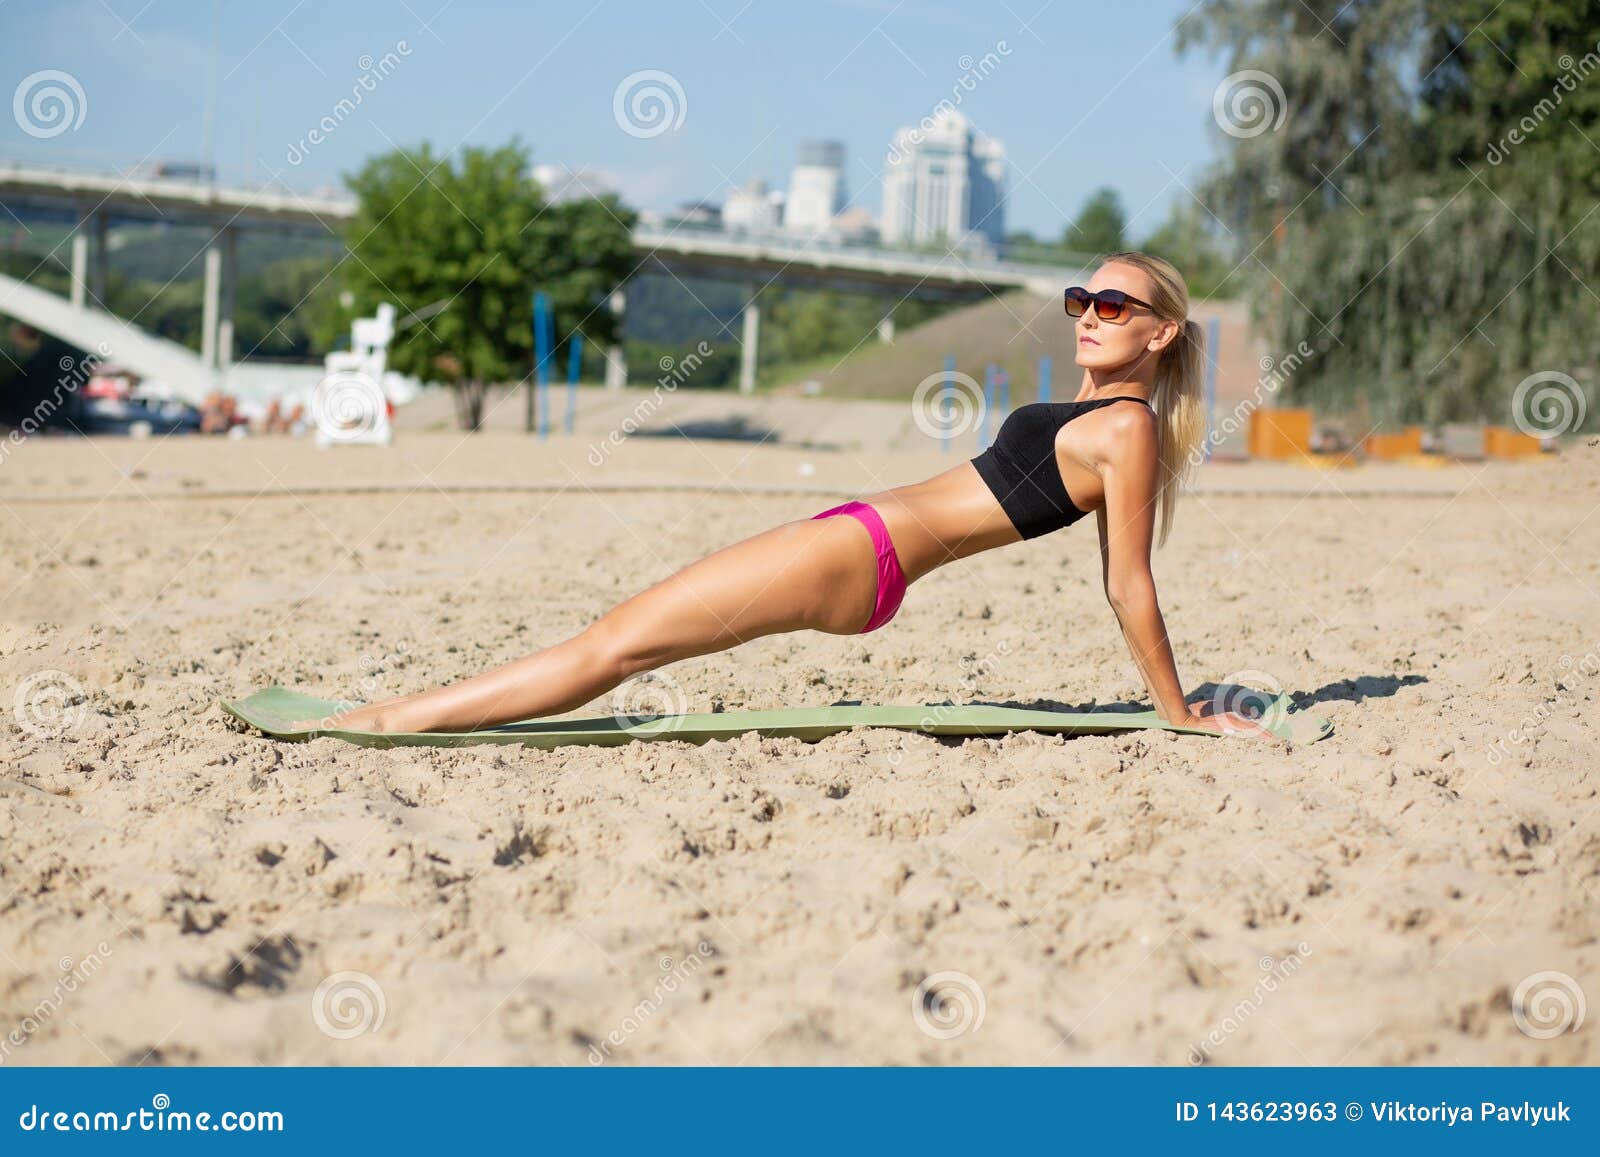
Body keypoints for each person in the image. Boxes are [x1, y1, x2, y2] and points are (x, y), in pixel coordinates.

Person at [292, 252, 1267, 737]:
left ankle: (388, 721)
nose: (1088, 316)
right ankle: (403, 709)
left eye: (1114, 307)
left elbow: (1126, 582)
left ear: (1161, 334)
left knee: (616, 642)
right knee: (624, 634)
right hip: (858, 545)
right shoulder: (1094, 414)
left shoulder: (1127, 429)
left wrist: (1173, 709)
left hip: (863, 554)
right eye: (1080, 301)